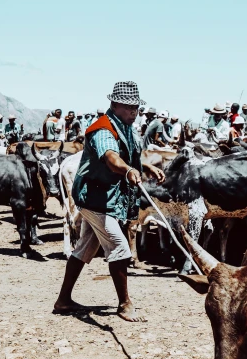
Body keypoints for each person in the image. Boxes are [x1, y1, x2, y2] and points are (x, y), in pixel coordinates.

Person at [54, 81, 165, 322]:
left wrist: (144, 167)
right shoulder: (102, 129)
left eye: (136, 108)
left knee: (85, 248)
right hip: (95, 197)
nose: (134, 113)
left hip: (107, 196)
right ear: (115, 104)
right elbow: (111, 157)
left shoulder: (126, 126)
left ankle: (63, 300)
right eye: (129, 108)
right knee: (120, 247)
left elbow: (125, 155)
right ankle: (125, 304)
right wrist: (127, 170)